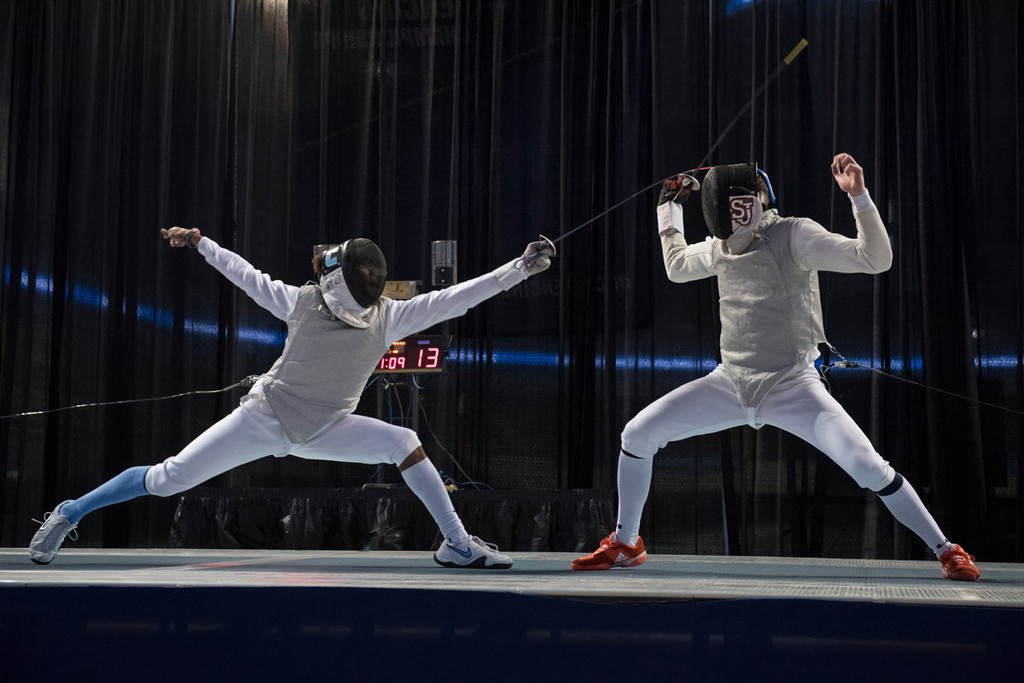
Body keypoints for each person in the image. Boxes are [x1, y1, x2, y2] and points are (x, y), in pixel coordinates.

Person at [30, 226, 555, 568]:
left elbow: (459, 297)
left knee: (405, 441)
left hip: (329, 427)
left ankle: (456, 544)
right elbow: (244, 274)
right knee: (168, 480)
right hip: (264, 419)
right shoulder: (300, 302)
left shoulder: (391, 315)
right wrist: (200, 243)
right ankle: (72, 510)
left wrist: (519, 268)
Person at [570, 153, 980, 581]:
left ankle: (946, 549)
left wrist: (858, 196)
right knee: (637, 434)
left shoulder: (793, 235)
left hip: (792, 385)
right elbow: (676, 268)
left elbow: (874, 259)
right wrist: (667, 208)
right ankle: (626, 543)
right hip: (729, 383)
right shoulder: (720, 247)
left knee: (868, 467)